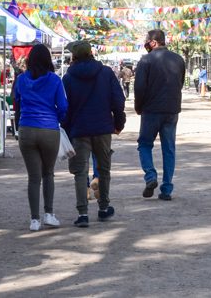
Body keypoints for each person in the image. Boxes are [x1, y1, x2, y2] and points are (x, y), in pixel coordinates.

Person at [62, 41, 126, 228]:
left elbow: (65, 109)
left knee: (80, 172)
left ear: (74, 57)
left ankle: (82, 213)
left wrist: (66, 130)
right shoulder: (106, 73)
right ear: (91, 53)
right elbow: (118, 100)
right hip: (103, 129)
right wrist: (118, 123)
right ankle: (104, 208)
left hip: (79, 131)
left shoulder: (68, 78)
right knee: (104, 169)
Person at [13, 44, 68, 231]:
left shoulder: (20, 80)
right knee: (48, 173)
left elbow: (16, 103)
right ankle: (49, 214)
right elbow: (63, 106)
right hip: (49, 130)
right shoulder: (55, 80)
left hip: (27, 129)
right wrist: (57, 120)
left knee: (33, 177)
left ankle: (34, 220)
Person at [134, 30, 185, 201]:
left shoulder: (146, 60)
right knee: (169, 148)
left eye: (147, 41)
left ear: (154, 42)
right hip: (172, 110)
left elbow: (139, 88)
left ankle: (150, 176)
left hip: (151, 110)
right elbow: (181, 83)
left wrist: (138, 107)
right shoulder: (178, 59)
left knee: (144, 144)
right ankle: (167, 189)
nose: (146, 44)